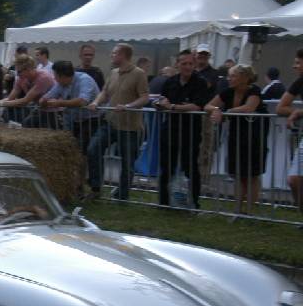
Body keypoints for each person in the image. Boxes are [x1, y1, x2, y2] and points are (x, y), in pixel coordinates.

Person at [86, 43, 150, 201]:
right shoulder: (113, 72)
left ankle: (122, 195)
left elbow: (144, 97)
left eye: (114, 53)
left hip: (130, 127)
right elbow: (105, 92)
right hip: (110, 122)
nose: (111, 56)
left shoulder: (139, 73)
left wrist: (128, 106)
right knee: (93, 149)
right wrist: (96, 102)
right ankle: (95, 188)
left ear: (123, 55)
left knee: (128, 163)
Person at [205, 64, 269, 214]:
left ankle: (249, 209)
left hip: (255, 135)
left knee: (252, 173)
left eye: (233, 76)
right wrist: (216, 110)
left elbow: (249, 108)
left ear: (244, 78)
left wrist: (225, 112)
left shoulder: (254, 91)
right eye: (229, 75)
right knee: (238, 173)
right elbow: (208, 106)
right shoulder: (228, 91)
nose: (229, 78)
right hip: (236, 135)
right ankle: (238, 208)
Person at [154, 49, 210, 208]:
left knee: (190, 168)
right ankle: (163, 202)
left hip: (190, 131)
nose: (187, 67)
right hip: (170, 129)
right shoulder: (170, 81)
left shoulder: (200, 82)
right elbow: (162, 100)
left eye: (190, 63)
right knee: (166, 167)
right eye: (184, 63)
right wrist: (160, 105)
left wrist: (172, 106)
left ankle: (194, 203)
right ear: (177, 64)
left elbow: (196, 106)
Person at [40, 61, 101, 194]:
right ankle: (72, 182)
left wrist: (59, 103)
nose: (54, 78)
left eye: (55, 75)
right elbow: (49, 95)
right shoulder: (61, 83)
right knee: (71, 150)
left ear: (62, 76)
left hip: (91, 119)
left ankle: (81, 184)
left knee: (83, 152)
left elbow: (82, 101)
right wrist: (44, 100)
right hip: (74, 119)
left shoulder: (85, 80)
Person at [0, 54, 54, 126]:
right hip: (41, 108)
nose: (17, 74)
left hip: (54, 110)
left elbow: (25, 101)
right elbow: (10, 98)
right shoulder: (21, 78)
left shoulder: (43, 78)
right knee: (25, 125)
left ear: (28, 69)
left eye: (19, 71)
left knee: (28, 126)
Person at [278, 49, 303, 210]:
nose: (295, 66)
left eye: (298, 63)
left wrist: (300, 112)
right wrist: (295, 111)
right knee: (294, 180)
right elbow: (281, 107)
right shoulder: (299, 82)